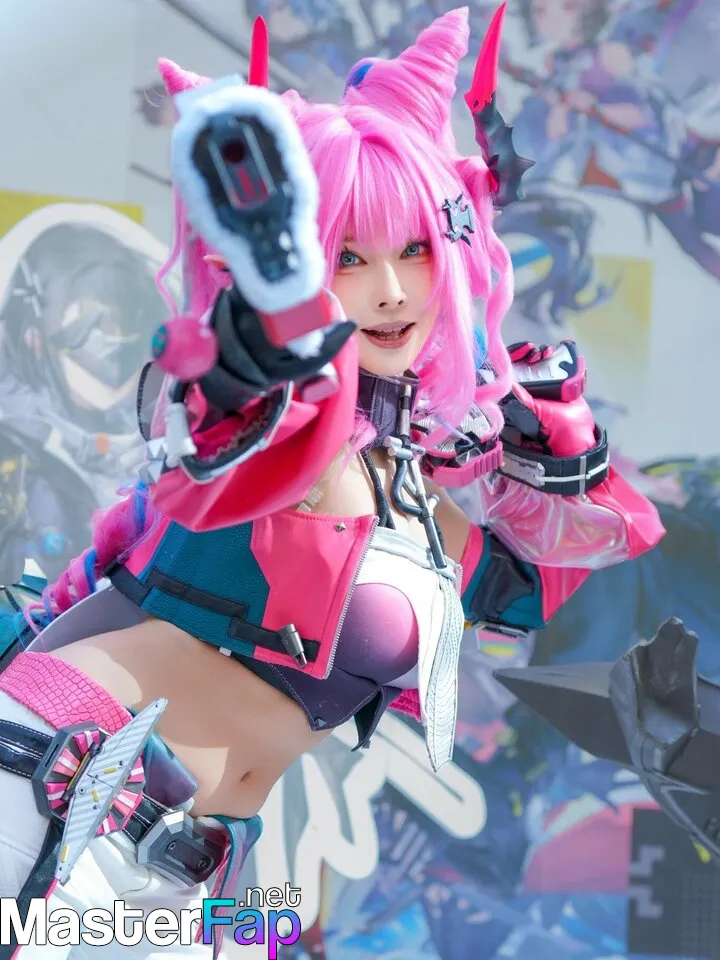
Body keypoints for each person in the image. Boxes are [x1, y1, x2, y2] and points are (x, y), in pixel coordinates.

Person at [0, 6, 664, 958]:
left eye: (412, 249)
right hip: (60, 787)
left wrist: (551, 441)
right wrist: (277, 305)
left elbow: (535, 584)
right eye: (347, 256)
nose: (390, 288)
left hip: (193, 864)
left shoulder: (408, 479)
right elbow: (248, 412)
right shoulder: (289, 424)